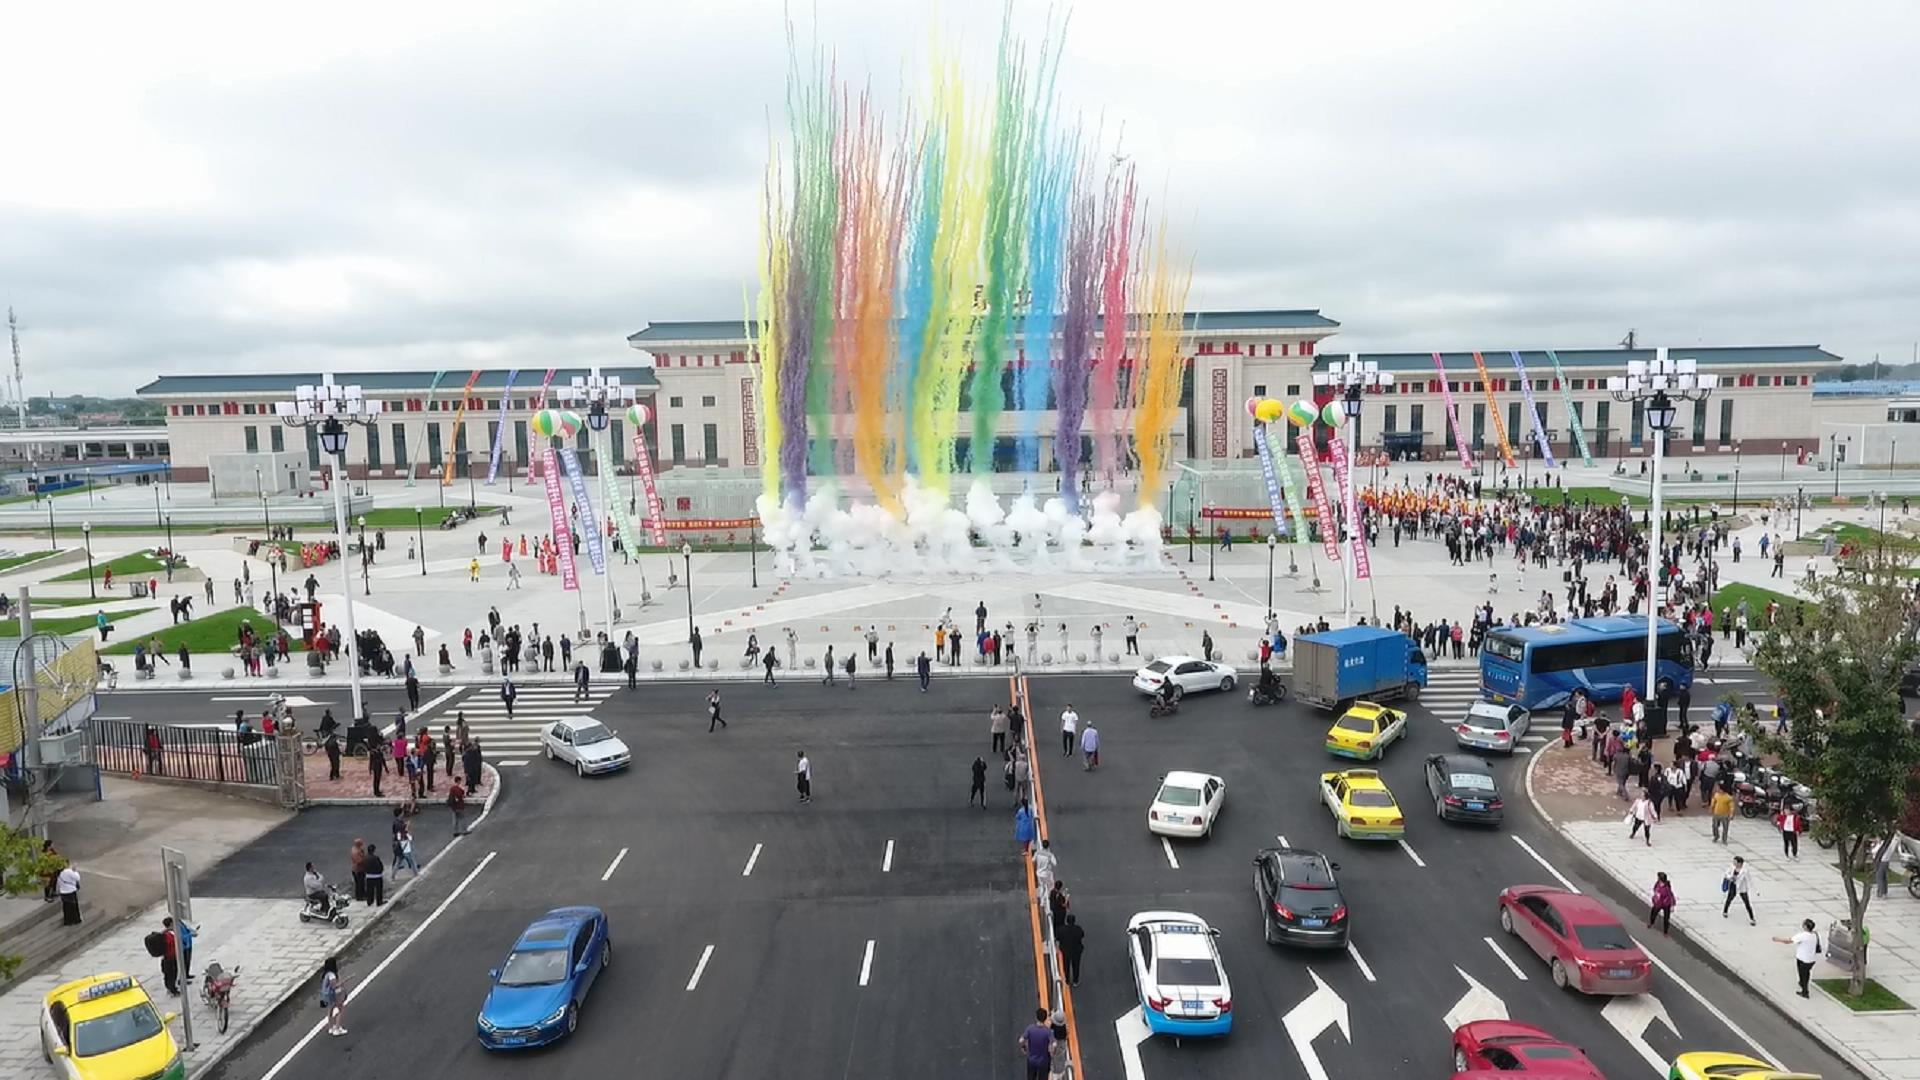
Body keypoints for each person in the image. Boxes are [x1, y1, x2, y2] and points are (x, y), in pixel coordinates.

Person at [1773, 918, 1821, 998]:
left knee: (1803, 974)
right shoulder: (1814, 934)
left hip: (1803, 959)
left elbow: (1788, 941)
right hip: (1811, 959)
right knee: (1807, 973)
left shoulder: (1803, 935)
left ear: (1805, 926)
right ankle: (1802, 983)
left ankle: (1805, 992)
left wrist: (1778, 939)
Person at [1020, 1007, 1053, 1080]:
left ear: (1036, 1017)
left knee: (1031, 1077)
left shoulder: (1030, 1028)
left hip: (1032, 1060)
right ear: (1045, 1019)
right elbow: (1053, 1045)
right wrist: (1052, 1052)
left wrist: (1023, 1047)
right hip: (1043, 1061)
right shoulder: (1048, 1032)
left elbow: (1021, 1040)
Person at [1722, 855, 1755, 924]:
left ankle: (1752, 918)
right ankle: (1725, 911)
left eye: (1735, 862)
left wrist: (1753, 889)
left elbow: (1749, 880)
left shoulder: (1745, 871)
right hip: (1733, 885)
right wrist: (1730, 877)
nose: (1734, 863)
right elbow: (1726, 873)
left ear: (1740, 863)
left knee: (1747, 903)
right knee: (1729, 899)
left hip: (1742, 888)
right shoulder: (1732, 867)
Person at [321, 955, 348, 1036]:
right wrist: (343, 982)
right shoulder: (332, 975)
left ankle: (331, 1028)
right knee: (341, 1009)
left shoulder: (326, 974)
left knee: (330, 1010)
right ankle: (337, 1028)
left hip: (326, 995)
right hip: (332, 995)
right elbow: (334, 986)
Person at [1057, 913, 1085, 986]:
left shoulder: (1062, 929)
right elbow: (1082, 935)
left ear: (1067, 921)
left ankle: (1067, 980)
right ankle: (1075, 981)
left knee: (1066, 965)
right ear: (1074, 921)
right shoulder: (1078, 929)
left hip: (1065, 950)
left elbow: (1058, 938)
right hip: (1076, 950)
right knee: (1076, 965)